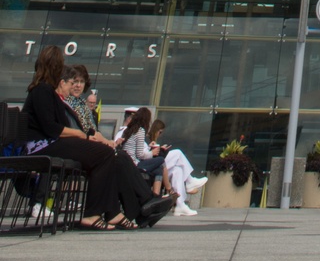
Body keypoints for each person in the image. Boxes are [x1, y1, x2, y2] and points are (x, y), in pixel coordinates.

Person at [22, 46, 173, 230]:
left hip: (52, 143)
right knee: (105, 154)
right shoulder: (42, 91)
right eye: (70, 81)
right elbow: (52, 127)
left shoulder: (48, 92)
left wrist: (86, 136)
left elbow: (62, 126)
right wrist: (81, 135)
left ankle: (130, 211)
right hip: (43, 146)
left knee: (110, 154)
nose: (72, 85)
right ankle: (99, 213)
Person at [148, 116, 208, 216]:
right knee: (178, 153)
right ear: (156, 130)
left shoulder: (151, 140)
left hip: (159, 165)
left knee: (178, 170)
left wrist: (161, 149)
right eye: (160, 132)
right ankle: (190, 181)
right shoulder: (146, 139)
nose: (160, 134)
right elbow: (145, 155)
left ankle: (180, 205)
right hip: (153, 165)